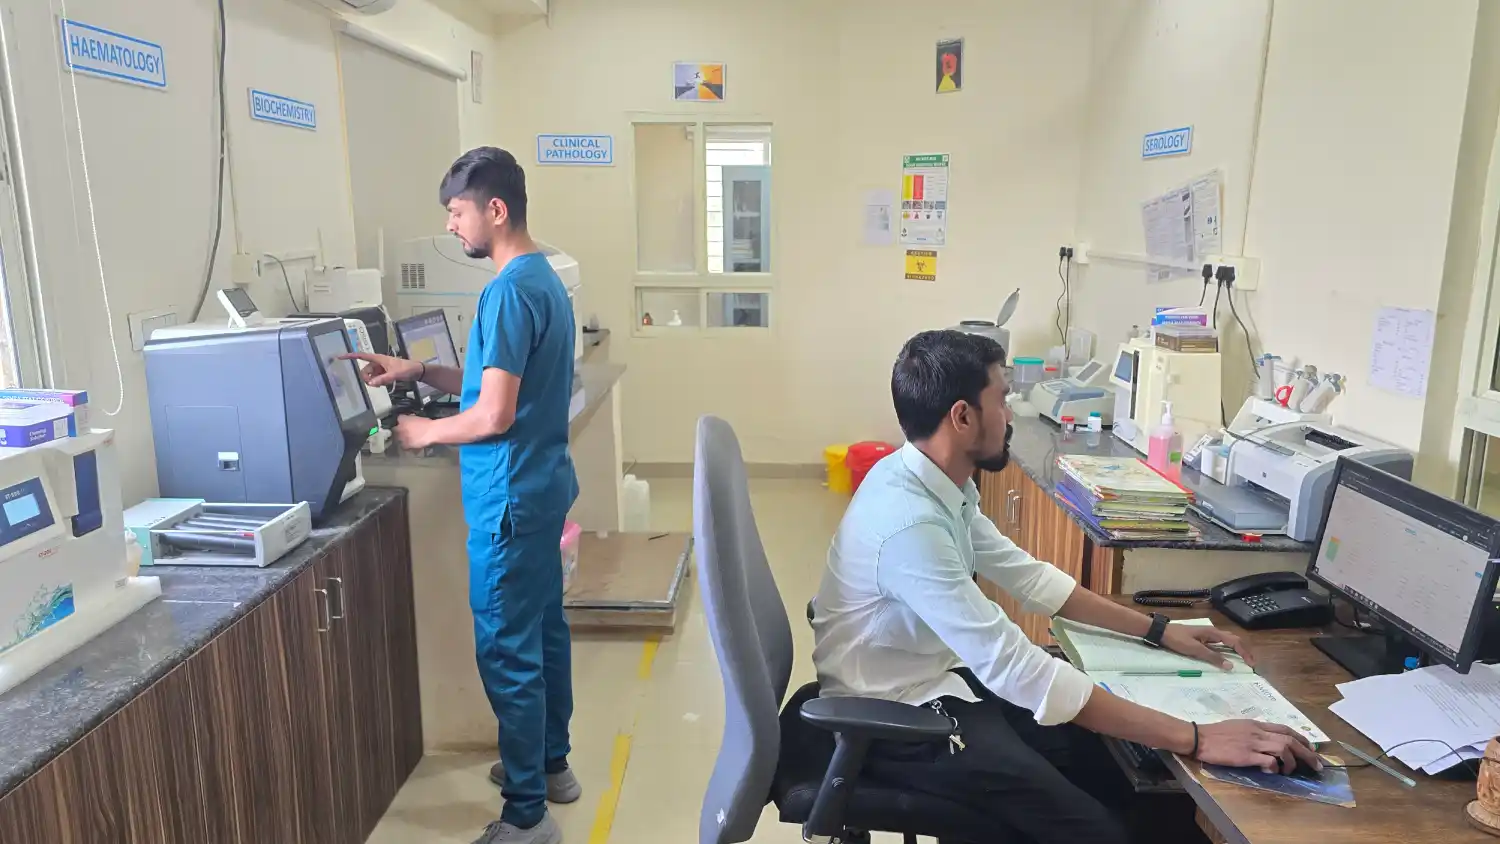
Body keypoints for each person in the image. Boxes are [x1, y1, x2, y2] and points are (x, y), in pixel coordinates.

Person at [810, 329, 1321, 844]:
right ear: (962, 417)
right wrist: (1196, 738)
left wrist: (1159, 630)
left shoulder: (930, 480)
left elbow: (1028, 576)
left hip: (936, 682)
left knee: (1109, 770)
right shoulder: (910, 525)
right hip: (895, 720)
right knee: (1098, 831)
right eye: (1001, 399)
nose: (1010, 415)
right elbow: (1015, 668)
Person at [344, 147, 579, 844]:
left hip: (507, 499)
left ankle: (527, 816)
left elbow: (493, 415)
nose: (451, 226)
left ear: (494, 210)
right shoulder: (542, 278)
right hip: (540, 489)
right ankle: (551, 765)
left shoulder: (506, 292)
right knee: (543, 633)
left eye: (456, 211)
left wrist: (422, 431)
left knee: (508, 652)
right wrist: (418, 369)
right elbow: (492, 386)